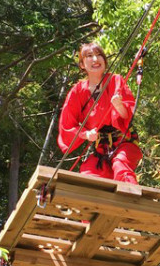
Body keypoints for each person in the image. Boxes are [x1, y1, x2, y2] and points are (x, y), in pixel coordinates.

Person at [57, 42, 142, 184]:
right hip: (101, 147)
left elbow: (127, 115)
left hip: (123, 141)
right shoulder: (77, 92)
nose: (96, 60)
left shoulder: (115, 80)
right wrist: (85, 134)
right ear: (82, 64)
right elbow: (67, 124)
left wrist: (119, 106)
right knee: (89, 173)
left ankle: (131, 202)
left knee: (121, 166)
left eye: (99, 55)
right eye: (89, 56)